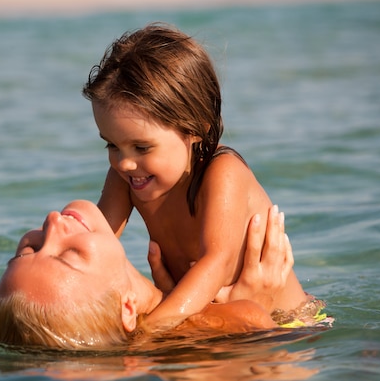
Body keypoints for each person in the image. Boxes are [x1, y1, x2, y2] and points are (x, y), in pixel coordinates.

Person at [82, 23, 308, 330]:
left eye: (141, 147)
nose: (124, 162)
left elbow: (216, 263)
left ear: (195, 128)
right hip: (216, 318)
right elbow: (95, 241)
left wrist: (151, 329)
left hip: (290, 324)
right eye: (112, 145)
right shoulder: (127, 177)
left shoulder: (221, 172)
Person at [0, 199, 322, 349]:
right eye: (69, 254)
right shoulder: (237, 316)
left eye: (27, 251)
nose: (51, 222)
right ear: (128, 308)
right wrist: (267, 308)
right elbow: (306, 342)